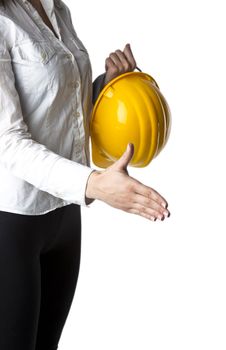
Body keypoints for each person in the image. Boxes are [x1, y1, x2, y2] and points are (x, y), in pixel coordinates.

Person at [0, 0, 170, 349]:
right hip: (13, 223)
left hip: (65, 215)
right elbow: (8, 142)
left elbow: (58, 107)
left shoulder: (58, 9)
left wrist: (104, 87)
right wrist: (93, 185)